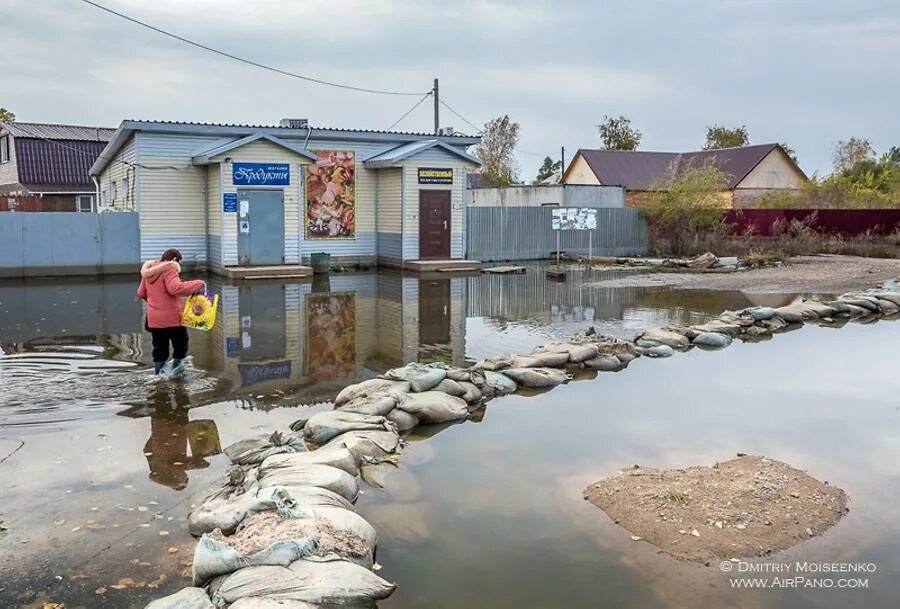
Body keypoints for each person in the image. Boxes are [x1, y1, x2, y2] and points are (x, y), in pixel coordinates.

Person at [137, 248, 205, 375]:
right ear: (174, 260)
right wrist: (198, 283)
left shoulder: (148, 272)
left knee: (159, 349)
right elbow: (175, 288)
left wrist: (155, 302)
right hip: (173, 319)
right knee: (181, 346)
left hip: (155, 320)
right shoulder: (170, 270)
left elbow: (141, 293)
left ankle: (159, 376)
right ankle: (177, 373)